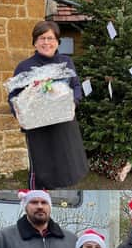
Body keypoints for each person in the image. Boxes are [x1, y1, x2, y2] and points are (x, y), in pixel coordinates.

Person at [8, 20, 88, 188]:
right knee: (42, 169)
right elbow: (13, 97)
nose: (46, 42)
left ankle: (63, 190)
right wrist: (21, 115)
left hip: (64, 123)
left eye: (50, 38)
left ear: (57, 41)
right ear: (35, 42)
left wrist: (73, 102)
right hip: (38, 128)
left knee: (68, 164)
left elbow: (76, 86)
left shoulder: (66, 62)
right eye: (42, 38)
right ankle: (39, 192)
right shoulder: (24, 67)